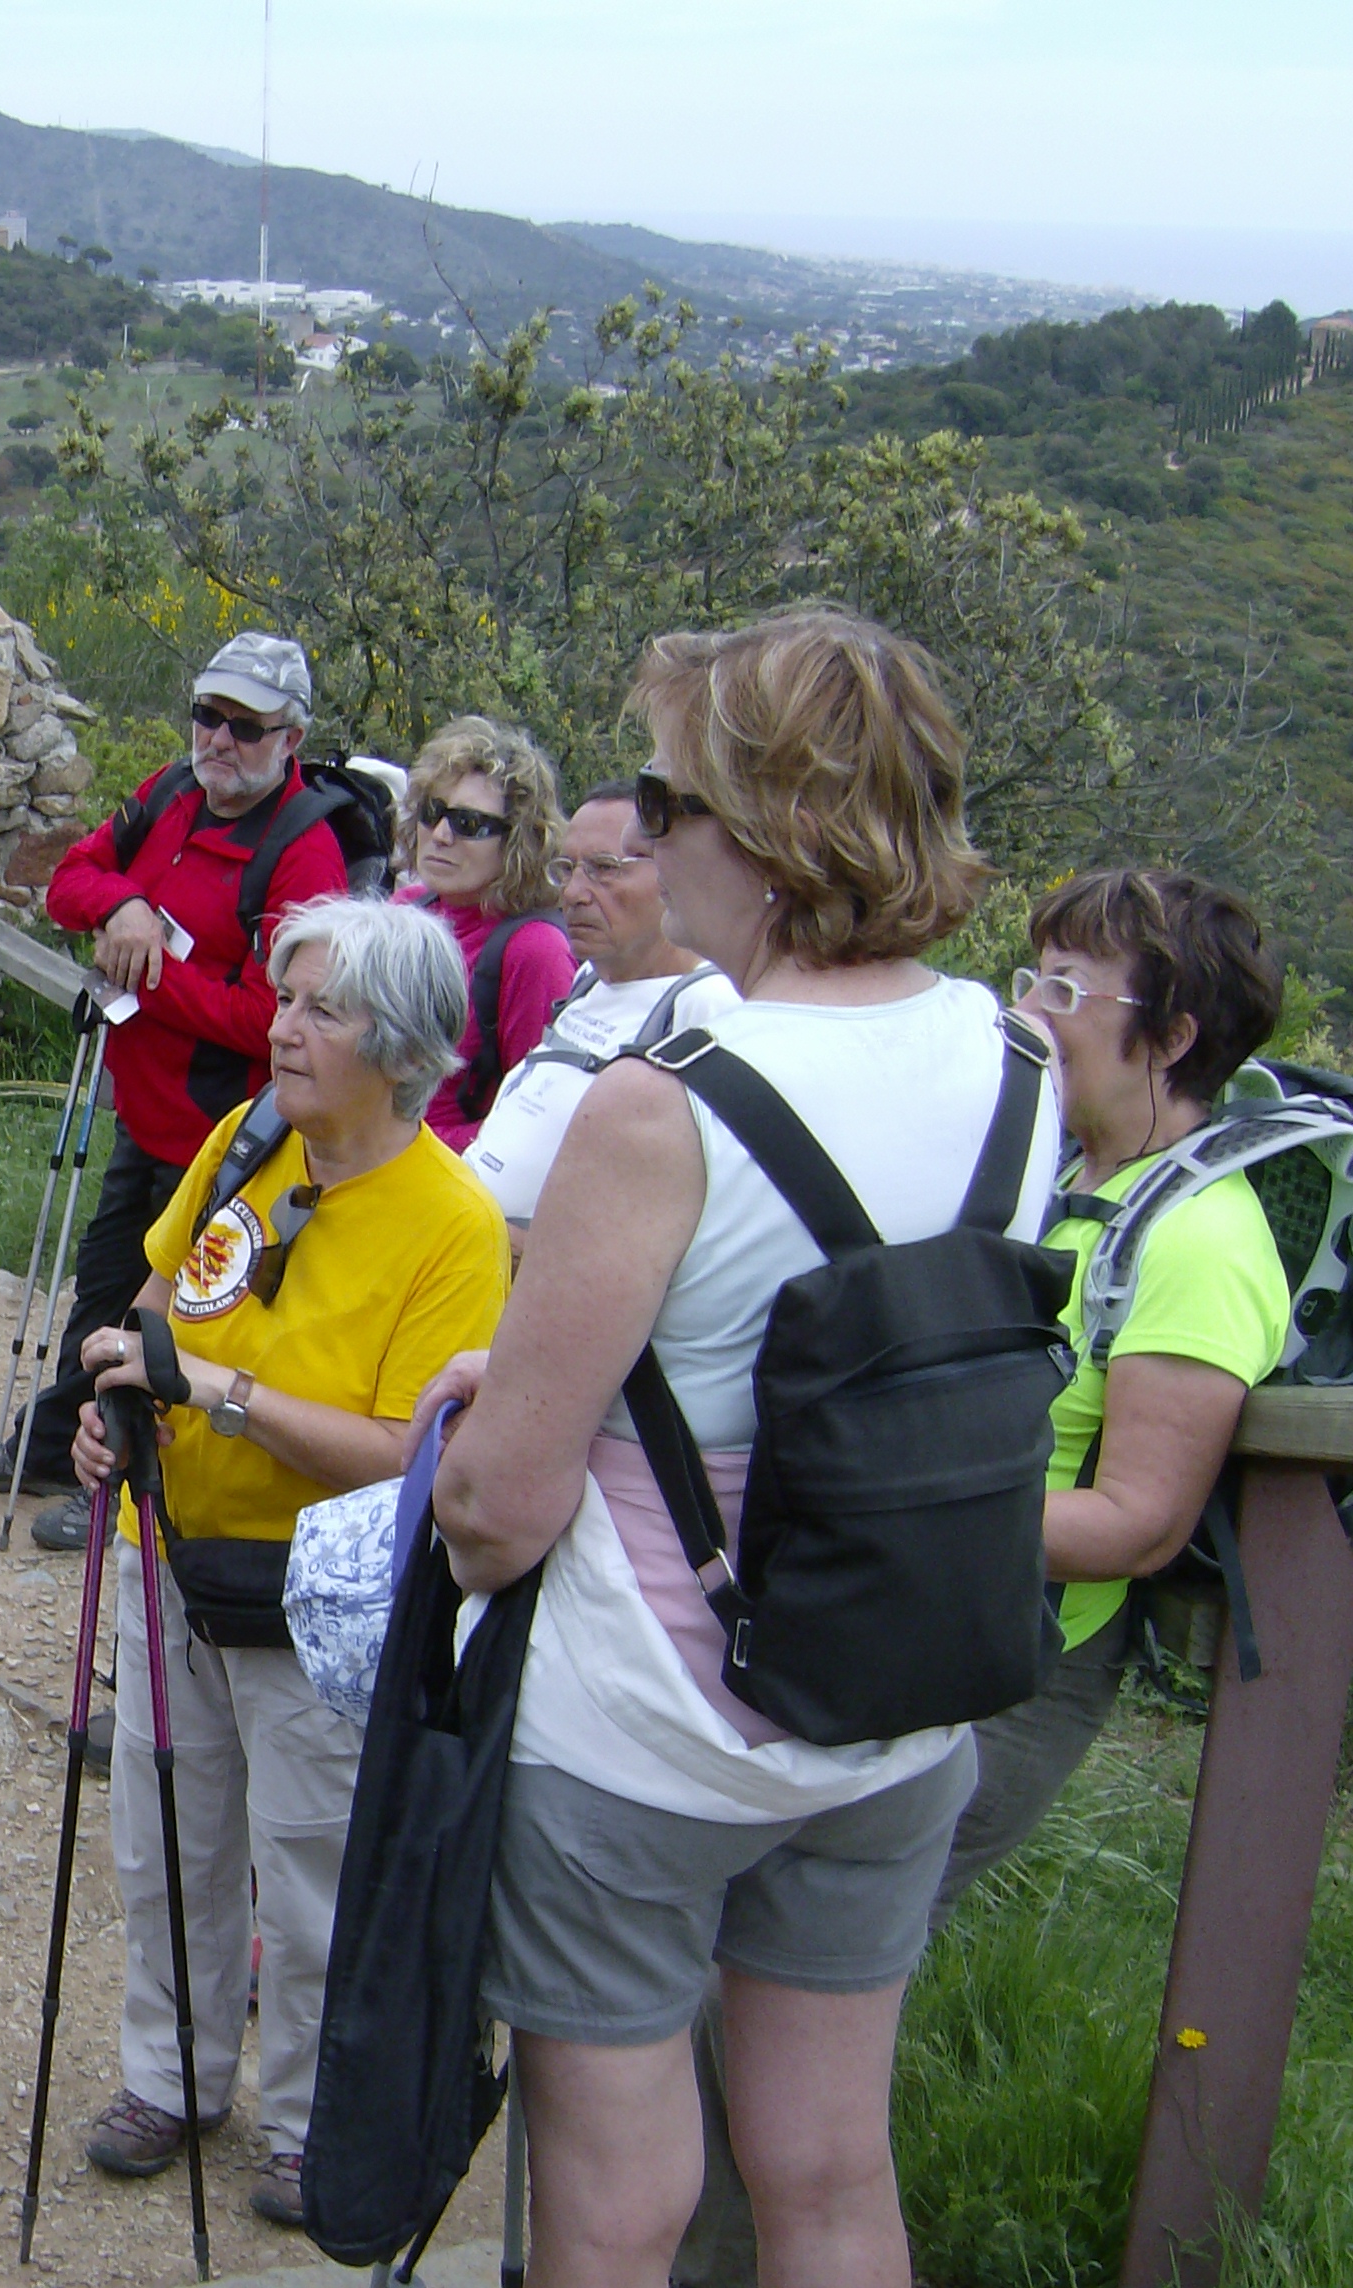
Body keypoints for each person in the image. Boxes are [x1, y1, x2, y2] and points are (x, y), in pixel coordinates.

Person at [418, 606, 1060, 2288]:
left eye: (664, 795)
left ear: (765, 829)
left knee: (614, 2211)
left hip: (651, 1728)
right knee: (832, 2174)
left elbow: (501, 1504)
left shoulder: (664, 1105)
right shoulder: (1018, 1060)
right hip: (890, 1708)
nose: (642, 832)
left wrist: (483, 1439)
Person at [673, 867, 1291, 2287]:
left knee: (761, 2014)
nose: (1033, 1011)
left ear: (1172, 1034)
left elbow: (1135, 1520)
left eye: (1067, 989)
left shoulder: (1203, 1242)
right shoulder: (1060, 1177)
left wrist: (891, 1508)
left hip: (1012, 1669)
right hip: (908, 1635)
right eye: (1030, 976)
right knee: (739, 1990)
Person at [65, 894, 510, 2228]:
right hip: (169, 1550)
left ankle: (315, 2127)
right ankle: (173, 2078)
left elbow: (409, 1454)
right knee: (166, 1836)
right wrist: (114, 1403)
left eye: (324, 1009)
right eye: (286, 998)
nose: (283, 1027)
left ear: (407, 1046)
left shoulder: (454, 1223)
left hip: (321, 1603)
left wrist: (217, 1391)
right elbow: (157, 1303)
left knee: (312, 1869)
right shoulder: (248, 1137)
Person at [0, 630, 356, 1552]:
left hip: (228, 1138)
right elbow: (70, 882)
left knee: (171, 1322)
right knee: (102, 1289)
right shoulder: (169, 794)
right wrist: (125, 908)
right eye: (208, 715)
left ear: (291, 739)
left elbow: (273, 1018)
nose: (219, 739)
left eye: (245, 726)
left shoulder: (305, 854)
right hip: (146, 1113)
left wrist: (150, 973)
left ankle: (126, 1488)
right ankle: (59, 1442)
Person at [463, 778, 734, 1237]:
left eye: (604, 868)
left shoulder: (706, 1007)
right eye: (566, 869)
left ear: (674, 870)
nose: (573, 893)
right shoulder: (588, 979)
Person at [393, 716, 573, 1149]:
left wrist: (409, 1147)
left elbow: (536, 1121)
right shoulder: (403, 909)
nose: (440, 835)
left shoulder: (535, 951)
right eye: (432, 812)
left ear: (518, 841)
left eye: (469, 824)